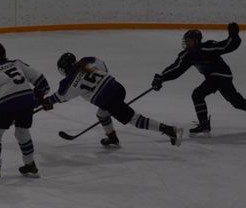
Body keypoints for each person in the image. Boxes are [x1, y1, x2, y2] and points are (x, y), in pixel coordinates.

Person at [43, 52, 183, 147]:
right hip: (117, 87)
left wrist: (48, 101)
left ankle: (170, 130)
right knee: (102, 113)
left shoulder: (68, 82)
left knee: (134, 119)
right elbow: (102, 64)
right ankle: (112, 137)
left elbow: (61, 96)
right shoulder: (87, 60)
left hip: (108, 99)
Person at [0, 43, 51, 184]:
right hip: (27, 101)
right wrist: (37, 97)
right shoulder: (17, 63)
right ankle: (30, 166)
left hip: (9, 104)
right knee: (22, 131)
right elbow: (42, 82)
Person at [152, 23, 243, 137]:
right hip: (213, 78)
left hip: (222, 76)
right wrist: (161, 77)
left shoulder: (207, 47)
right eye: (187, 41)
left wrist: (233, 35)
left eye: (190, 40)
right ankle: (204, 124)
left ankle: (204, 124)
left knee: (198, 94)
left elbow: (226, 46)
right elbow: (176, 69)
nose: (187, 43)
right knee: (236, 102)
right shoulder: (188, 55)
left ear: (197, 41)